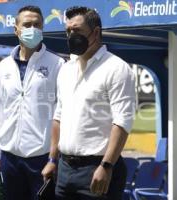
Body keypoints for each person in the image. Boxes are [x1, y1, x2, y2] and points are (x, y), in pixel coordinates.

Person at [42, 6, 136, 200]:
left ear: (95, 33)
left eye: (76, 30)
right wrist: (53, 159)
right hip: (64, 169)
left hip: (98, 168)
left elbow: (122, 122)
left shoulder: (117, 68)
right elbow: (58, 117)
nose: (71, 35)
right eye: (68, 31)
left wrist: (106, 166)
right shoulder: (66, 69)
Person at [0, 5, 65, 200]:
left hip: (42, 158)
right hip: (9, 157)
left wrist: (53, 158)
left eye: (37, 25)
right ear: (16, 29)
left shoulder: (57, 64)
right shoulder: (4, 66)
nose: (32, 29)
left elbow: (62, 114)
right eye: (27, 24)